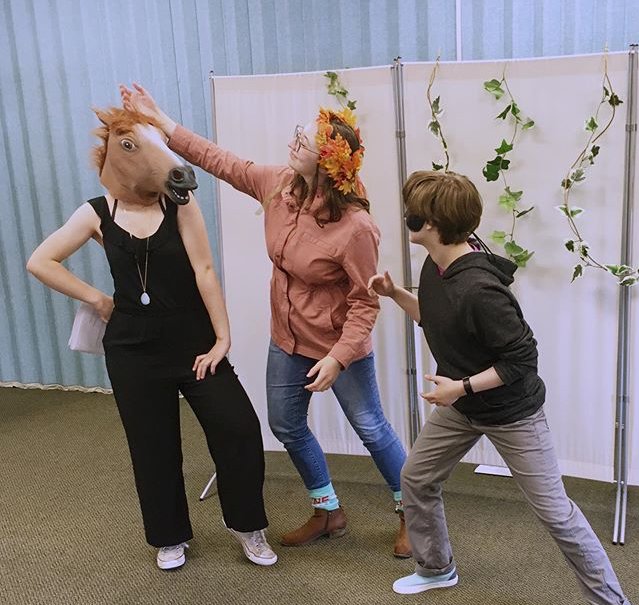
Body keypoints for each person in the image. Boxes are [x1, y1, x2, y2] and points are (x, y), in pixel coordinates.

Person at [119, 83, 410, 556]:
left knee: (371, 427)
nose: (293, 142)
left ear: (328, 163)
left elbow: (365, 303)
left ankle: (413, 513)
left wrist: (338, 358)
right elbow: (221, 161)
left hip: (338, 347)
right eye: (299, 133)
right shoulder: (278, 185)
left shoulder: (357, 228)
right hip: (288, 341)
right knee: (286, 424)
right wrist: (161, 121)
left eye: (304, 141)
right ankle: (328, 510)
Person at [367, 170, 638, 605]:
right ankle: (436, 568)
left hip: (512, 413)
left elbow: (522, 360)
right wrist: (395, 295)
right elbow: (434, 317)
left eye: (414, 212)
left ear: (433, 224)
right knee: (416, 477)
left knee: (556, 512)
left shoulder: (481, 290)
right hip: (462, 406)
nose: (406, 216)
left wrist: (460, 388)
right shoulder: (436, 266)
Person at [27, 106, 277, 570]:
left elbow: (205, 270)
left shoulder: (177, 203)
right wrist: (97, 299)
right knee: (153, 445)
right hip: (132, 349)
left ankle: (246, 525)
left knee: (239, 429)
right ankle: (169, 536)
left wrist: (222, 339)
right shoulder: (97, 212)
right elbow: (40, 261)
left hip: (194, 342)